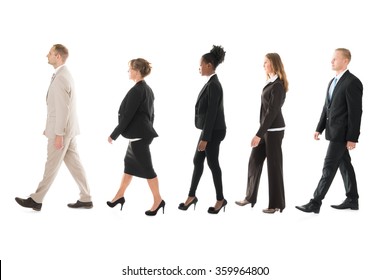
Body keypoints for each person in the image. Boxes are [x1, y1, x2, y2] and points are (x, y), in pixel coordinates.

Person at [15, 44, 93, 211]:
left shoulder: (61, 78)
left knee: (51, 165)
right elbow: (59, 107)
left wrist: (58, 133)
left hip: (62, 132)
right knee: (75, 164)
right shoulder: (64, 74)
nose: (46, 55)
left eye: (50, 53)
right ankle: (86, 198)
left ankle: (36, 199)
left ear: (58, 56)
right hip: (68, 130)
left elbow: (62, 109)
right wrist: (49, 127)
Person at [296, 48, 363, 214]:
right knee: (345, 165)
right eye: (331, 59)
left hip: (342, 134)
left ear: (345, 61)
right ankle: (352, 199)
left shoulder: (352, 82)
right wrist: (319, 128)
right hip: (332, 131)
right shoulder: (333, 81)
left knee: (328, 167)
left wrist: (352, 138)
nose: (331, 61)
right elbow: (327, 107)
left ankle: (315, 202)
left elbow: (355, 113)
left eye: (335, 59)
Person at [107, 58, 164, 216]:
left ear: (137, 71)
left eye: (130, 69)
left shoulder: (137, 90)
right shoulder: (147, 89)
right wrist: (148, 131)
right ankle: (119, 196)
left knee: (148, 170)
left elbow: (127, 117)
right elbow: (151, 115)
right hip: (140, 136)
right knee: (129, 167)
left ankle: (158, 200)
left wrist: (114, 134)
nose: (128, 72)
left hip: (140, 136)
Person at [235, 53, 288, 214]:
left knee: (274, 167)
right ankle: (250, 197)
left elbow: (272, 113)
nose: (263, 65)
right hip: (265, 130)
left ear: (273, 64)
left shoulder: (277, 85)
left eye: (266, 62)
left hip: (274, 131)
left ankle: (276, 204)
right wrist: (260, 132)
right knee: (254, 162)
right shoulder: (270, 82)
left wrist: (258, 134)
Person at [178, 45, 227, 214]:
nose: (199, 67)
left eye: (200, 64)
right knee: (198, 161)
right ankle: (192, 196)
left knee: (213, 164)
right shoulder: (211, 83)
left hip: (214, 131)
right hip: (209, 130)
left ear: (208, 65)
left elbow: (213, 113)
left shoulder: (214, 85)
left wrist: (205, 139)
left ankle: (220, 199)